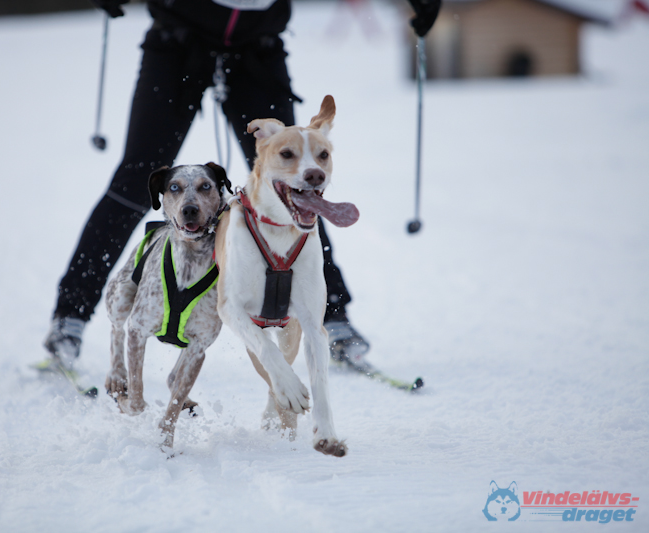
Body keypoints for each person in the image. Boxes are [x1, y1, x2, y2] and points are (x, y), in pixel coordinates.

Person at [44, 0, 441, 372]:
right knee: (135, 180)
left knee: (288, 184)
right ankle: (69, 318)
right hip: (179, 34)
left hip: (257, 45)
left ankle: (331, 317)